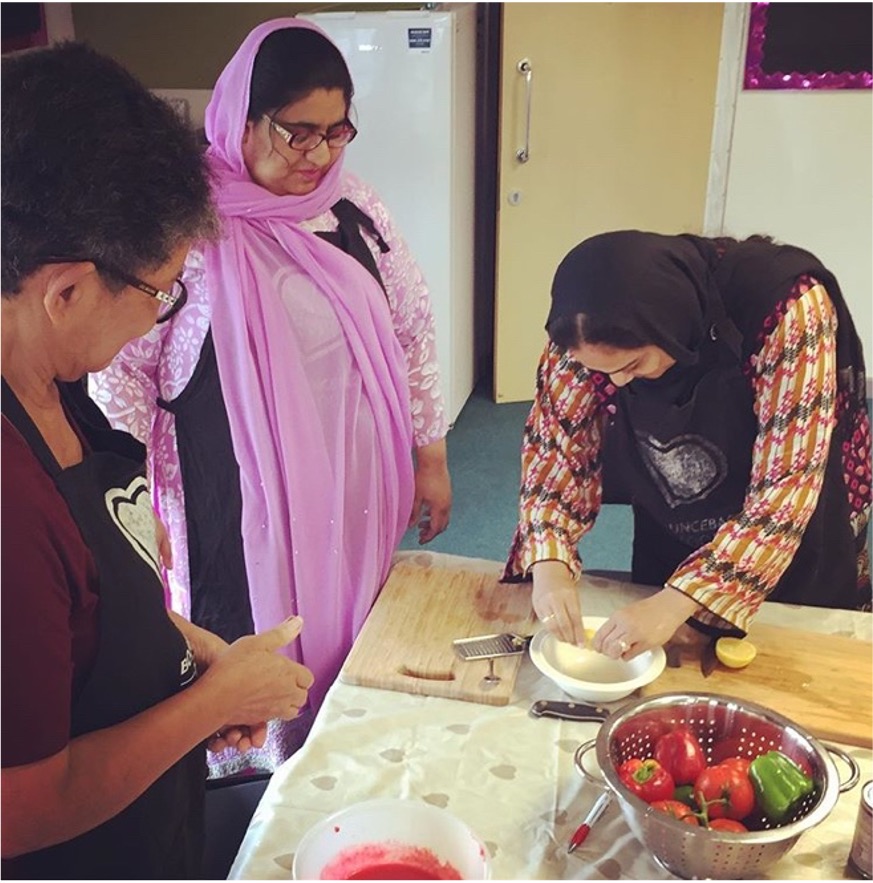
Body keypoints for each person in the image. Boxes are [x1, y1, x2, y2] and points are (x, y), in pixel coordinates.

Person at [90, 18, 452, 774]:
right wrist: (122, 498)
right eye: (297, 133)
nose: (318, 154)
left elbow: (413, 331)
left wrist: (432, 453)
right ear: (242, 120)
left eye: (336, 131)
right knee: (249, 628)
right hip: (231, 489)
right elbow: (118, 367)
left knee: (350, 622)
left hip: (350, 476)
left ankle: (343, 755)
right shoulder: (182, 225)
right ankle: (258, 793)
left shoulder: (357, 211)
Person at [1, 43, 314, 879]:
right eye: (158, 291)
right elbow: (20, 808)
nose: (156, 320)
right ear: (65, 291)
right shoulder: (8, 506)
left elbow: (83, 614)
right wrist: (215, 701)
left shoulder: (45, 371)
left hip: (149, 812)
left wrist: (193, 654)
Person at [504, 230, 870, 659]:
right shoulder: (582, 331)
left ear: (669, 324)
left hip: (789, 525)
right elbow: (555, 447)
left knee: (790, 662)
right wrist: (550, 563)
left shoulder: (786, 306)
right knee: (667, 655)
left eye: (633, 365)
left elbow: (786, 489)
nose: (617, 382)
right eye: (605, 374)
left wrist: (678, 602)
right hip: (676, 512)